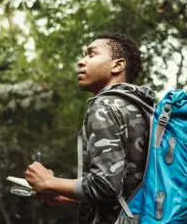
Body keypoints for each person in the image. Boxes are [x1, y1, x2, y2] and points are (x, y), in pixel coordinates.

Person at [25, 32, 155, 223]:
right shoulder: (143, 108)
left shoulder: (104, 105)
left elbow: (106, 186)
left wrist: (49, 182)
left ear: (117, 65)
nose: (81, 61)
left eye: (91, 54)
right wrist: (69, 195)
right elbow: (126, 185)